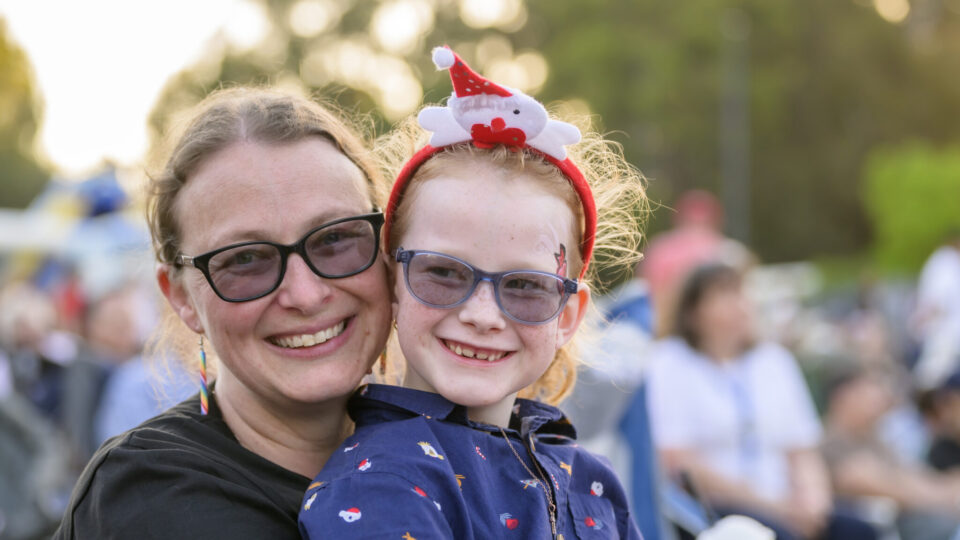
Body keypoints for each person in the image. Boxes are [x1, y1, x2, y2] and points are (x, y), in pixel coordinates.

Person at [298, 47, 646, 538]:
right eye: (443, 273)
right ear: (392, 282)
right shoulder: (381, 487)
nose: (483, 314)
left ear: (567, 316)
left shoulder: (591, 481)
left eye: (526, 286)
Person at [54, 86, 394, 538]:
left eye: (335, 239)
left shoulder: (458, 452)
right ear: (180, 297)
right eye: (245, 260)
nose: (306, 294)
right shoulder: (152, 497)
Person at [645, 263, 877, 540]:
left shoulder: (773, 361)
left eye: (741, 292)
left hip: (787, 503)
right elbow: (678, 459)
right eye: (724, 294)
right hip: (717, 507)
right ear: (694, 311)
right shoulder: (669, 362)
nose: (740, 304)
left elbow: (802, 449)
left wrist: (815, 503)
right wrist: (772, 506)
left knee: (862, 532)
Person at [821, 366, 960, 540]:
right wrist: (944, 495)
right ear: (844, 395)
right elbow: (874, 484)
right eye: (870, 387)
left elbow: (911, 475)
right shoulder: (828, 441)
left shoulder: (875, 439)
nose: (880, 395)